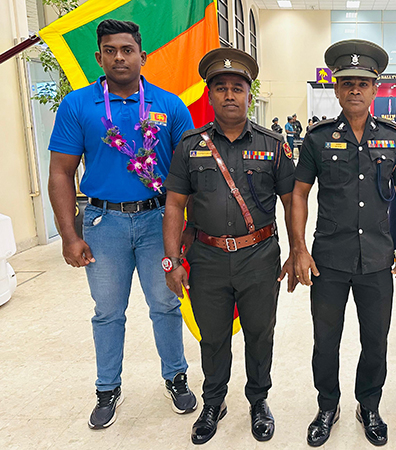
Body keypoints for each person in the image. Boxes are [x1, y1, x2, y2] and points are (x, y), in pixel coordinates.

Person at [47, 19, 197, 430]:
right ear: (99, 57)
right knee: (108, 311)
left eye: (127, 50)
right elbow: (61, 172)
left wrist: (188, 228)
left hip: (158, 222)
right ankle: (107, 388)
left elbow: (191, 171)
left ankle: (176, 376)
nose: (119, 57)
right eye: (110, 51)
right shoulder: (77, 105)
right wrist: (69, 234)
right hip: (103, 223)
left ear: (142, 56)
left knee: (165, 304)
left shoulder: (170, 106)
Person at [162, 48, 296, 445]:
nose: (230, 95)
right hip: (207, 257)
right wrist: (172, 259)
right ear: (210, 95)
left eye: (237, 88)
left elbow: (293, 202)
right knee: (213, 336)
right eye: (220, 88)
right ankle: (213, 402)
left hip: (259, 255)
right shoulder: (190, 146)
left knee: (259, 333)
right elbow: (174, 204)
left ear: (249, 95)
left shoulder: (273, 145)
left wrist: (297, 250)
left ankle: (258, 401)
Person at [292, 39, 396, 447]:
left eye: (363, 83)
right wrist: (299, 249)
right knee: (325, 341)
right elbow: (299, 194)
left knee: (375, 341)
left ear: (376, 88)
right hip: (329, 260)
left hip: (378, 260)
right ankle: (327, 406)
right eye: (347, 82)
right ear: (336, 88)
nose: (355, 90)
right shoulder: (317, 139)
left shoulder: (392, 137)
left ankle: (369, 405)